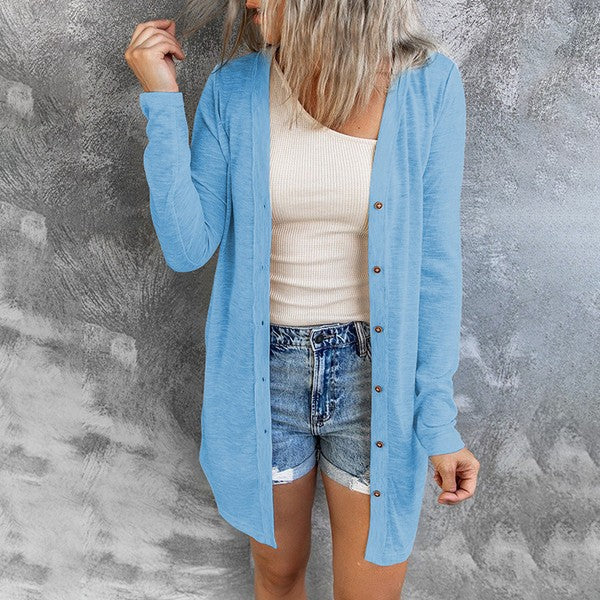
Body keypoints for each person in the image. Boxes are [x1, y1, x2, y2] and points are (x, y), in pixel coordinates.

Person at [125, 1, 480, 598]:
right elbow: (187, 247)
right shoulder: (235, 89)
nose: (247, 3)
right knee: (279, 575)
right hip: (265, 376)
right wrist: (161, 100)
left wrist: (438, 421)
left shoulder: (429, 84)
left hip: (376, 383)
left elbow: (436, 266)